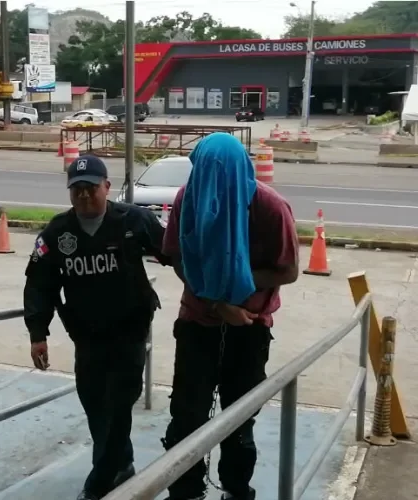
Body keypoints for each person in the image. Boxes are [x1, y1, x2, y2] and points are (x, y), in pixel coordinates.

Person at [160, 133, 300, 500]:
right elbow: (178, 259)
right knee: (187, 416)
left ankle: (237, 490)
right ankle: (186, 491)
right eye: (204, 171)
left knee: (239, 420)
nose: (212, 182)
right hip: (197, 325)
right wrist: (217, 301)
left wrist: (235, 281)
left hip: (249, 329)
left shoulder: (270, 207)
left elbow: (288, 271)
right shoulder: (188, 199)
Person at [23, 154, 171, 500]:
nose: (85, 196)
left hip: (130, 333)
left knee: (119, 405)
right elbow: (39, 285)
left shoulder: (135, 221)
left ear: (107, 187)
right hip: (87, 337)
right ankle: (123, 463)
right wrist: (37, 333)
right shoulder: (58, 233)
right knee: (94, 404)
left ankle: (99, 482)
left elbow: (172, 252)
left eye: (91, 188)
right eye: (77, 189)